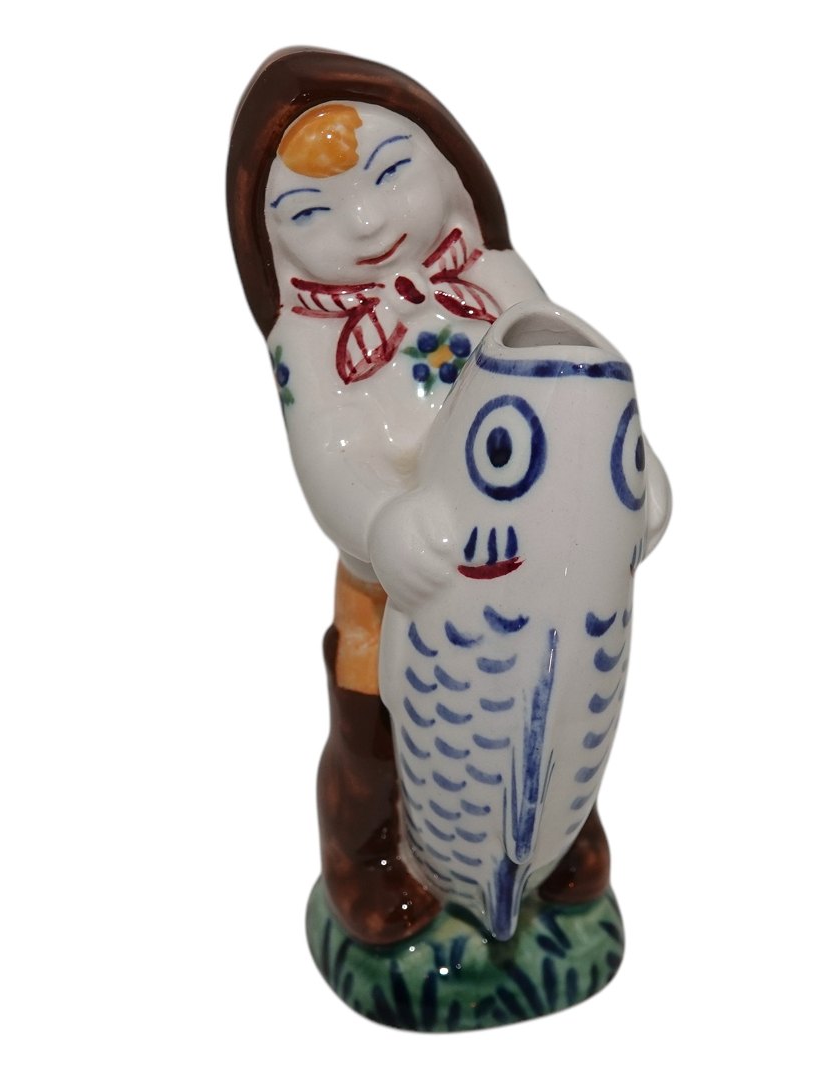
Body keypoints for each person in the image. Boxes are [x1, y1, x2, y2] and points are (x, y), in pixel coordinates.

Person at [228, 49, 609, 945]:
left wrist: (630, 477)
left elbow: (577, 382)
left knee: (559, 693)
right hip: (395, 582)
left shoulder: (495, 277)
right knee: (374, 725)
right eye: (311, 212)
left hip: (534, 564)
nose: (365, 221)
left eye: (392, 173)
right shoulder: (306, 339)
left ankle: (557, 830)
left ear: (449, 166)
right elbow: (326, 457)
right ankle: (367, 852)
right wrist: (378, 519)